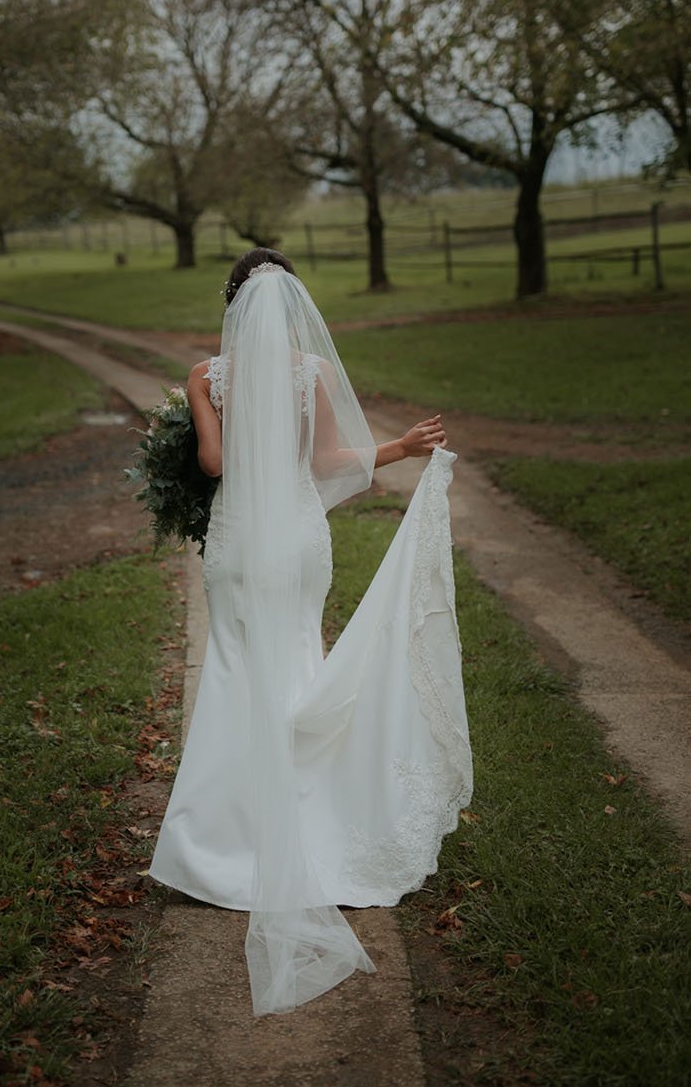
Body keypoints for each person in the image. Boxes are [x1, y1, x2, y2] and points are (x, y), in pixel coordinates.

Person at [149, 248, 472, 1016]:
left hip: (237, 541)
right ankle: (312, 818)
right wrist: (401, 447)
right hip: (296, 539)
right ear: (293, 305)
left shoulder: (206, 376)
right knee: (299, 658)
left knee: (232, 667)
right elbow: (329, 459)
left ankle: (219, 847)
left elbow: (217, 461)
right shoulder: (312, 374)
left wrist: (194, 434)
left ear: (231, 305)